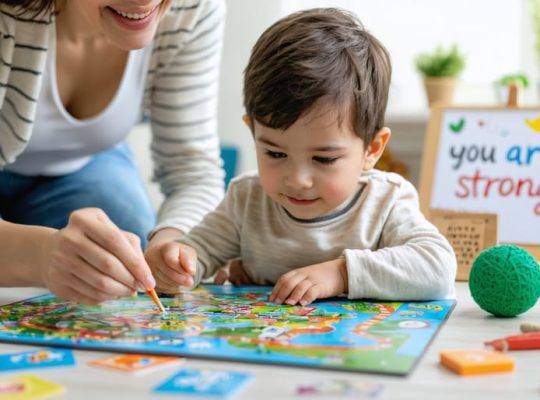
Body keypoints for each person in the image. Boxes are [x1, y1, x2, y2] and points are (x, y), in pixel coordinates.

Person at [150, 7, 457, 305]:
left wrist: (340, 274)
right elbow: (197, 251)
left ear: (372, 150)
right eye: (274, 152)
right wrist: (178, 264)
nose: (297, 179)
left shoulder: (385, 201)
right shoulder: (246, 200)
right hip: (260, 352)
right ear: (253, 132)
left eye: (324, 159)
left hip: (350, 353)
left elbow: (438, 267)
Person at [0, 0, 226, 304]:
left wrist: (172, 241)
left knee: (123, 263)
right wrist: (41, 256)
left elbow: (194, 171)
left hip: (84, 165)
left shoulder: (192, 7)